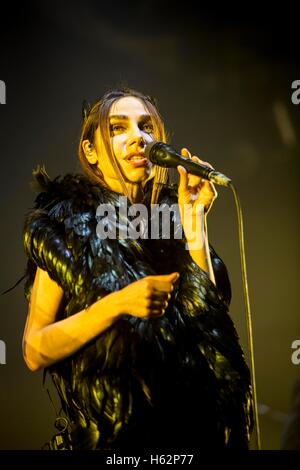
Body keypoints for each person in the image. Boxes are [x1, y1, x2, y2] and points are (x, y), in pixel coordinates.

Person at [22, 87, 253, 450]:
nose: (139, 137)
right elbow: (34, 348)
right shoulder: (68, 223)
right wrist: (116, 304)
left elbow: (213, 331)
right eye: (118, 128)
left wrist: (193, 219)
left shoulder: (169, 218)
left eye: (146, 127)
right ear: (91, 152)